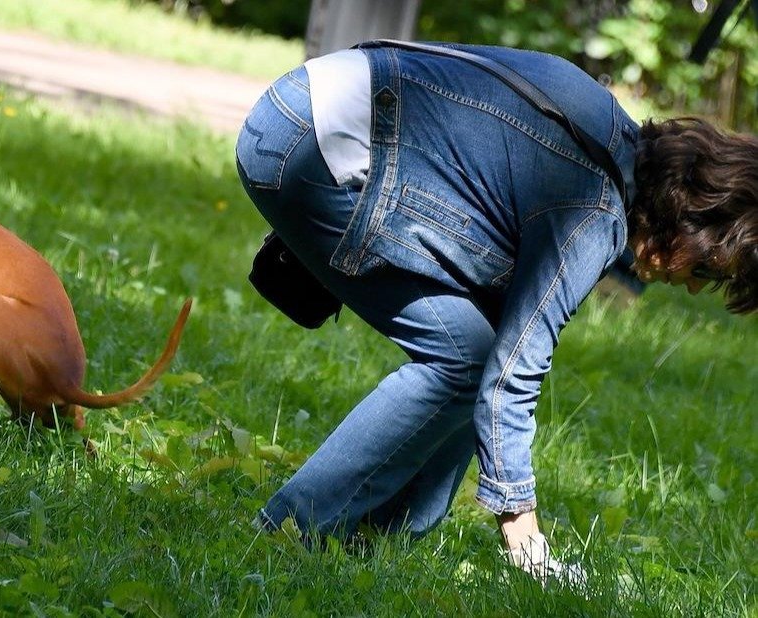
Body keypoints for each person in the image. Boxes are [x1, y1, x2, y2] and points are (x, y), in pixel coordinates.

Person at [234, 41, 758, 584]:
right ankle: (286, 535)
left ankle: (372, 551)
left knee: (473, 353)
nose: (697, 290)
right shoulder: (590, 214)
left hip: (300, 109)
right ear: (700, 222)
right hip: (308, 146)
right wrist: (524, 533)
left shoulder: (610, 133)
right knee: (464, 361)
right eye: (712, 272)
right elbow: (512, 375)